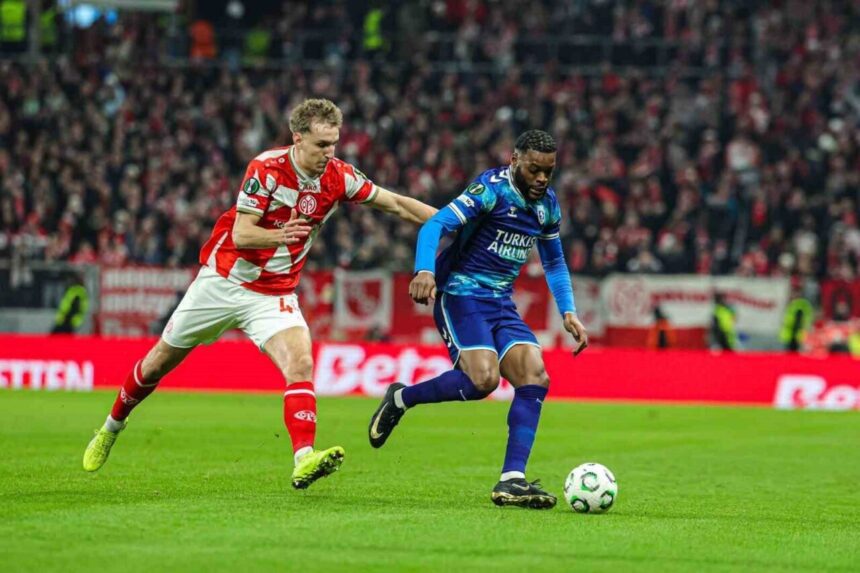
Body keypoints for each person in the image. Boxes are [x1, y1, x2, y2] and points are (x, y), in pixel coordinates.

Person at [83, 99, 436, 489]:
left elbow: (397, 204)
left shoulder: (339, 177)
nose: (329, 153)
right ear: (297, 138)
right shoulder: (266, 169)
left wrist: (453, 220)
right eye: (321, 145)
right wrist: (281, 235)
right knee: (156, 365)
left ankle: (304, 458)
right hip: (223, 282)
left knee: (300, 363)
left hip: (274, 294)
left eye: (334, 143)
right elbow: (242, 234)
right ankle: (111, 427)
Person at [367, 130, 588, 509]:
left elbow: (553, 261)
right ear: (515, 160)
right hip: (460, 292)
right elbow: (435, 225)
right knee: (483, 380)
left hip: (500, 301)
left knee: (535, 375)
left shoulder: (548, 205)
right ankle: (402, 398)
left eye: (548, 172)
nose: (541, 179)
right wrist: (424, 270)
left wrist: (568, 310)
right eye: (534, 169)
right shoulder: (491, 190)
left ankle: (512, 480)